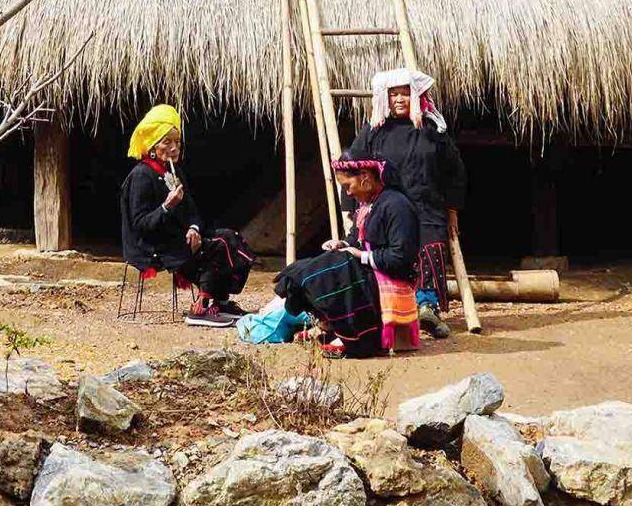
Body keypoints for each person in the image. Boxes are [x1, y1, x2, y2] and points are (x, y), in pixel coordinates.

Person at [344, 67, 467, 338]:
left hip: (426, 206)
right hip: (386, 207)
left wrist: (452, 209)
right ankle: (384, 305)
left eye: (405, 94)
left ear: (415, 96)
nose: (399, 100)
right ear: (386, 99)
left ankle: (426, 306)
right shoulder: (374, 131)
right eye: (394, 95)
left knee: (429, 244)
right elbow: (350, 165)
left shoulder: (432, 129)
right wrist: (351, 209)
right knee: (389, 248)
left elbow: (454, 170)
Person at [119, 104, 254, 327]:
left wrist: (194, 228)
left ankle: (219, 300)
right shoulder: (142, 176)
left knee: (230, 237)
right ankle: (201, 307)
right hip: (152, 246)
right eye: (167, 142)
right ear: (152, 147)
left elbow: (192, 211)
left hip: (176, 238)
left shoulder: (174, 172)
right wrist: (166, 206)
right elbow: (140, 225)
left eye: (177, 142)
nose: (174, 148)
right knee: (218, 247)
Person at [274, 155, 421, 357]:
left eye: (348, 185)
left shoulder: (397, 205)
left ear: (364, 177)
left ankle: (354, 337)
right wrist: (342, 244)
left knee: (330, 273)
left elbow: (401, 257)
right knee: (300, 271)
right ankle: (331, 326)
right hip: (369, 272)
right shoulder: (368, 205)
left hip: (388, 278)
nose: (348, 192)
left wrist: (359, 255)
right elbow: (355, 238)